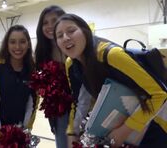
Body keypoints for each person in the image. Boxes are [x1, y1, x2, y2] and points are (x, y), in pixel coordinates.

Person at [54, 13, 167, 148]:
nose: (66, 38)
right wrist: (73, 131)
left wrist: (123, 131)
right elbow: (78, 102)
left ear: (86, 32)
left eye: (71, 31)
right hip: (120, 126)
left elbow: (159, 94)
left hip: (155, 124)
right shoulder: (71, 64)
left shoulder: (112, 55)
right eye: (59, 36)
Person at [0, 25, 38, 136]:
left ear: (28, 44)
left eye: (22, 41)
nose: (17, 47)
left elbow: (32, 103)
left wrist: (25, 131)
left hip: (21, 134)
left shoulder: (32, 70)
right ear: (7, 45)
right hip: (0, 135)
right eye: (13, 42)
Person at [34, 5, 68, 148]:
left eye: (54, 20)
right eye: (45, 22)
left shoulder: (73, 45)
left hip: (83, 107)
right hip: (59, 112)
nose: (50, 26)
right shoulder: (42, 53)